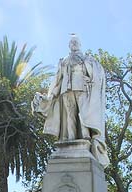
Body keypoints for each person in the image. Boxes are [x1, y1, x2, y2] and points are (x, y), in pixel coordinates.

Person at [32, 35, 108, 167]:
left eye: (76, 42)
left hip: (82, 90)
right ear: (69, 45)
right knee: (69, 116)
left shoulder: (87, 60)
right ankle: (71, 139)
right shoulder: (64, 61)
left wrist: (92, 79)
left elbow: (96, 75)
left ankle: (85, 139)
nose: (74, 44)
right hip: (65, 91)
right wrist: (50, 96)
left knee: (83, 115)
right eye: (72, 42)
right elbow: (57, 81)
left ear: (80, 44)